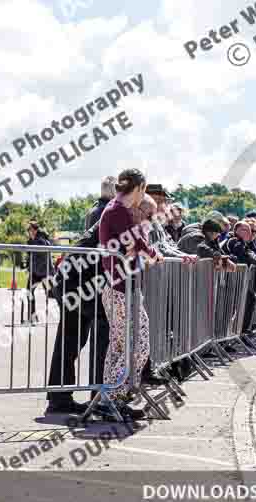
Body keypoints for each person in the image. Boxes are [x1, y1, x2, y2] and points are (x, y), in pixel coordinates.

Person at [97, 168, 162, 421]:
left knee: (119, 347)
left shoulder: (115, 209)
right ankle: (112, 398)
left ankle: (110, 400)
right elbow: (134, 243)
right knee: (139, 344)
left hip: (119, 288)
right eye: (143, 190)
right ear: (139, 188)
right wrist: (154, 255)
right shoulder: (118, 211)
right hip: (121, 289)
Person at [45, 221, 109, 415]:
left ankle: (60, 399)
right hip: (77, 285)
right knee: (71, 343)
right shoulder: (116, 212)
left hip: (78, 283)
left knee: (69, 343)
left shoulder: (114, 211)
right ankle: (94, 398)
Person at [24, 221, 53, 324]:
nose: (28, 231)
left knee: (54, 294)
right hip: (36, 272)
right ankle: (33, 317)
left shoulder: (41, 240)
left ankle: (68, 314)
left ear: (34, 230)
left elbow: (40, 252)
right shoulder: (33, 240)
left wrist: (31, 242)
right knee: (29, 292)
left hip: (44, 272)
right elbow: (30, 255)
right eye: (28, 230)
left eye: (30, 229)